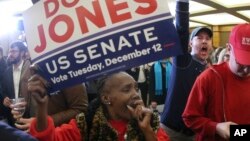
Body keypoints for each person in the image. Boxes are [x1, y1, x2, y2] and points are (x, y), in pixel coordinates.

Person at [27, 71, 169, 141]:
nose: (136, 94)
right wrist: (41, 108)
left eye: (136, 88)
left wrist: (147, 131)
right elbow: (49, 138)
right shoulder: (85, 124)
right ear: (106, 98)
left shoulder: (151, 121)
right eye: (126, 90)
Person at [182, 23, 250, 141]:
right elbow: (189, 117)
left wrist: (238, 134)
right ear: (228, 48)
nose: (246, 69)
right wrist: (216, 127)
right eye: (242, 61)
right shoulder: (209, 77)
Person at [160, 0, 213, 141]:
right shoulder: (183, 60)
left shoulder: (210, 69)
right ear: (190, 43)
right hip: (172, 129)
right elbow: (182, 31)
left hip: (194, 132)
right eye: (199, 38)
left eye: (208, 39)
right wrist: (183, 4)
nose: (204, 41)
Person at [2, 40, 32, 126]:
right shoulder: (6, 72)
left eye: (14, 51)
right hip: (13, 114)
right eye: (9, 52)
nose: (10, 54)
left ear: (22, 53)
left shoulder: (30, 68)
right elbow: (4, 91)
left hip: (29, 114)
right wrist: (4, 98)